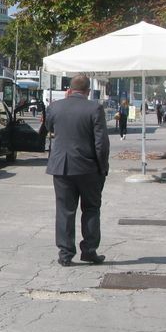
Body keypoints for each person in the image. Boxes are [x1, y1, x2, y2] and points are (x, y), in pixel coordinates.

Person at [44, 74, 110, 266]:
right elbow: (101, 143)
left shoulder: (55, 107)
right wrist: (102, 166)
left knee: (65, 210)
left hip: (61, 168)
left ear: (69, 90)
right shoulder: (95, 108)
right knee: (90, 209)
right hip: (88, 167)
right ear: (88, 91)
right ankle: (89, 250)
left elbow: (48, 127)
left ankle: (65, 254)